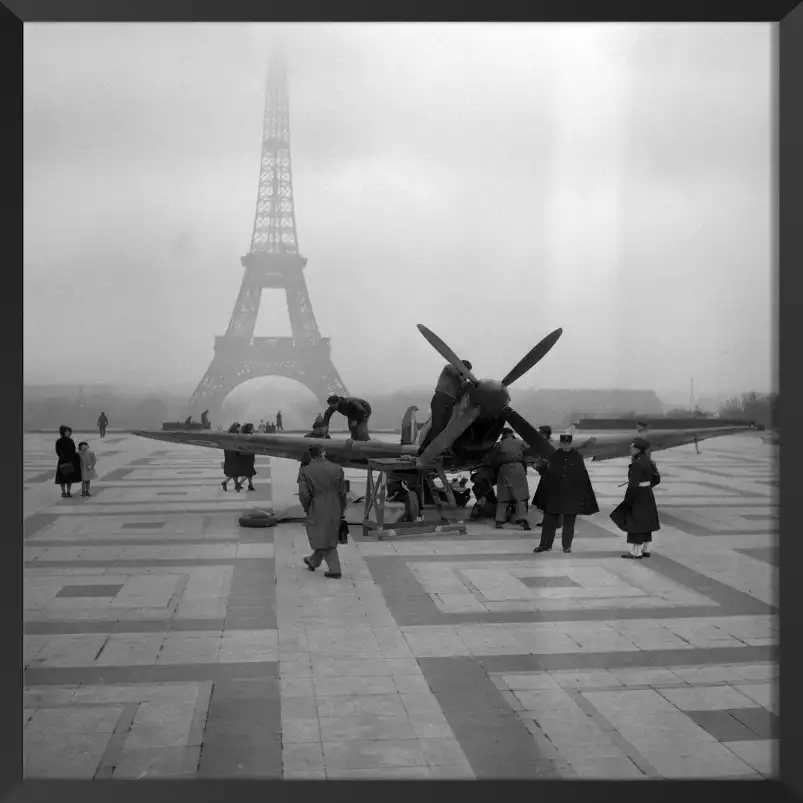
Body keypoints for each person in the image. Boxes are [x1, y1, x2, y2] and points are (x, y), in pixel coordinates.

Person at [533, 433, 599, 554]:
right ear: (560, 443)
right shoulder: (554, 456)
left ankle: (566, 546)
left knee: (569, 523)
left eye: (567, 443)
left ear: (570, 443)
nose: (565, 445)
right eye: (563, 443)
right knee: (548, 522)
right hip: (554, 494)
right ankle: (545, 545)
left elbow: (582, 476)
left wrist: (582, 495)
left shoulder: (576, 457)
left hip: (570, 495)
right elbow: (546, 474)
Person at [299, 444, 348, 579]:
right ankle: (313, 560)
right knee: (327, 533)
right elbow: (343, 491)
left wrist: (307, 507)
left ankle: (335, 569)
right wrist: (343, 507)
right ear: (323, 453)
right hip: (335, 503)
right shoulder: (337, 468)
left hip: (317, 504)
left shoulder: (306, 471)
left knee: (323, 535)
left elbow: (304, 494)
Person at [611, 437, 661, 559]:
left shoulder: (637, 464)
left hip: (638, 495)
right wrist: (647, 487)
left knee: (635, 522)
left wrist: (628, 500)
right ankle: (646, 548)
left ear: (637, 449)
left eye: (632, 447)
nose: (630, 449)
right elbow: (656, 479)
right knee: (646, 522)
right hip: (647, 494)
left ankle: (636, 552)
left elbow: (633, 485)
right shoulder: (648, 461)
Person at [417, 360, 473, 455]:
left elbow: (464, 388)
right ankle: (433, 450)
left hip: (450, 402)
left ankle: (424, 449)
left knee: (444, 427)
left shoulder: (461, 379)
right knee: (438, 425)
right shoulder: (449, 368)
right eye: (467, 370)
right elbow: (456, 371)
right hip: (441, 398)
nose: (467, 373)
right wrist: (464, 374)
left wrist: (472, 385)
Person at [490, 429, 531, 531]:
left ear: (503, 434)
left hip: (504, 469)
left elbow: (493, 459)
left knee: (503, 497)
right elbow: (527, 455)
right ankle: (523, 520)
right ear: (512, 434)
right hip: (518, 469)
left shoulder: (499, 444)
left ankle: (499, 521)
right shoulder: (520, 442)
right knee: (520, 497)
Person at [533, 425, 555, 528]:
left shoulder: (552, 444)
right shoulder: (545, 444)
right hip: (546, 475)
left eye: (540, 432)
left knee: (549, 500)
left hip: (551, 477)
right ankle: (547, 521)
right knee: (545, 501)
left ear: (544, 434)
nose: (538, 434)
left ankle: (551, 521)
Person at [55, 425, 82, 498]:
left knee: (69, 478)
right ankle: (63, 492)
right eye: (67, 431)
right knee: (62, 478)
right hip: (63, 461)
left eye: (69, 431)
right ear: (63, 432)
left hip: (70, 460)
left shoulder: (71, 440)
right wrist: (62, 456)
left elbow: (73, 450)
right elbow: (57, 451)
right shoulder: (59, 441)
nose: (69, 433)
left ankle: (68, 491)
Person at [221, 423, 244, 492]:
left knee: (234, 471)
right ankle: (227, 482)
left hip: (229, 453)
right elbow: (238, 444)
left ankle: (235, 484)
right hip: (234, 454)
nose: (240, 429)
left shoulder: (229, 434)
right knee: (235, 471)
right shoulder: (236, 435)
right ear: (236, 428)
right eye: (239, 427)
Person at [238, 423, 257, 491]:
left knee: (249, 471)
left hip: (243, 455)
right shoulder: (250, 436)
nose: (254, 429)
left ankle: (250, 485)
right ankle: (239, 484)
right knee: (249, 472)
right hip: (249, 455)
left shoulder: (241, 436)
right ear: (249, 429)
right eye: (253, 428)